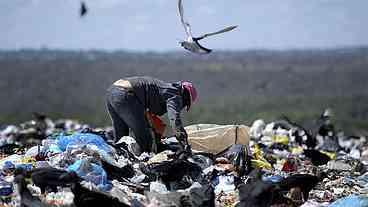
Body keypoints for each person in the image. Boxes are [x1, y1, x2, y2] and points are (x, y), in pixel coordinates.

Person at [106, 76, 197, 153]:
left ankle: (119, 164)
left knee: (121, 138)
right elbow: (174, 119)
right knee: (145, 139)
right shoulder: (175, 95)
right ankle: (140, 165)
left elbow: (147, 114)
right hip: (125, 94)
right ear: (185, 95)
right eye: (185, 103)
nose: (182, 106)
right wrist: (184, 143)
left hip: (112, 92)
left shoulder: (163, 88)